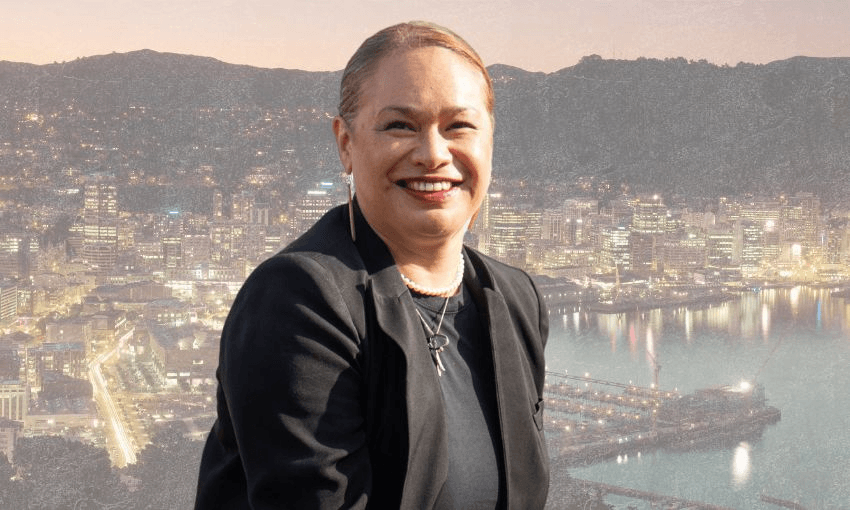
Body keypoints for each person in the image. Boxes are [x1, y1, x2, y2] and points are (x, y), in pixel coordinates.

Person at [195, 21, 549, 509]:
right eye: (400, 125)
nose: (433, 154)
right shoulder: (298, 300)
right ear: (345, 143)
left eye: (459, 126)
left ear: (490, 141)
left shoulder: (513, 299)